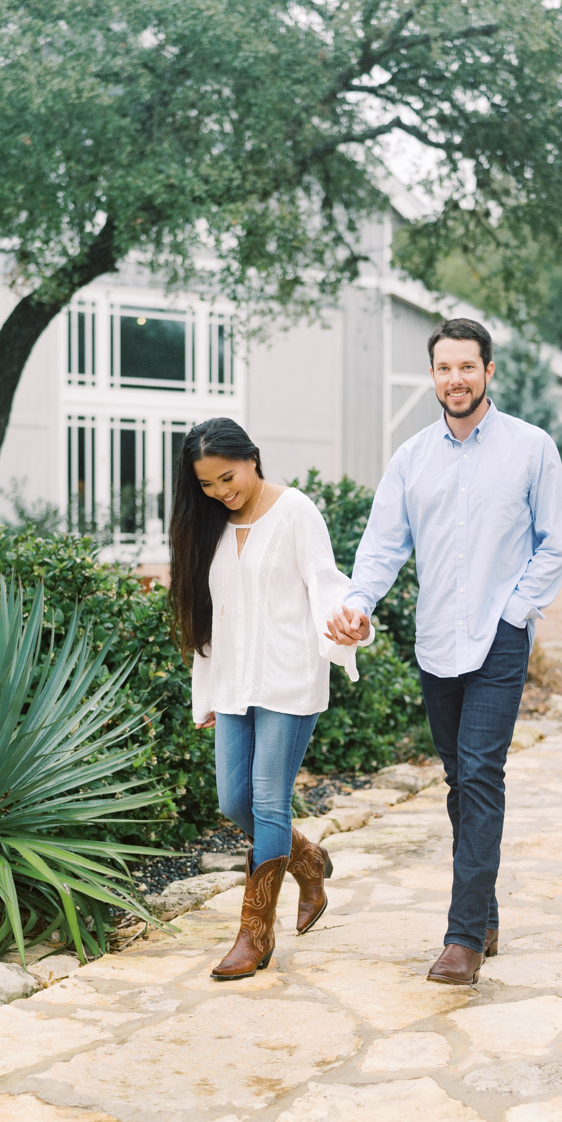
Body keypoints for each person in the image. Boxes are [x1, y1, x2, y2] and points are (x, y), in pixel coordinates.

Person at [327, 317, 562, 985]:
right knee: (459, 782)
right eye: (444, 368)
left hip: (498, 637)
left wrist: (514, 613)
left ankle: (463, 938)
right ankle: (486, 914)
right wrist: (359, 603)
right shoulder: (411, 458)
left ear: (489, 371)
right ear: (432, 375)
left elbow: (557, 541)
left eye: (467, 366)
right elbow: (382, 547)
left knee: (481, 775)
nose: (456, 379)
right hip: (436, 640)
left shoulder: (531, 448)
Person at [168, 417, 373, 981]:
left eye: (227, 477)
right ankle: (308, 862)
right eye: (207, 485)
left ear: (253, 458)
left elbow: (328, 585)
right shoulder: (208, 523)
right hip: (233, 683)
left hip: (288, 678)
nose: (220, 492)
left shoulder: (296, 511)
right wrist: (206, 694)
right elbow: (208, 618)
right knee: (233, 802)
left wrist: (350, 624)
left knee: (267, 802)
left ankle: (255, 935)